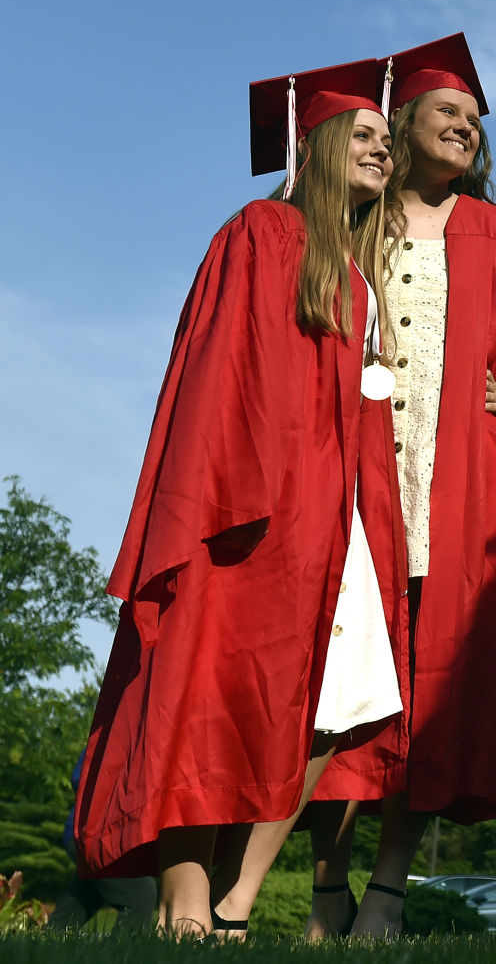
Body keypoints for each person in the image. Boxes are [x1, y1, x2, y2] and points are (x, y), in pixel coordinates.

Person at [73, 56, 405, 938]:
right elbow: (217, 383)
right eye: (365, 135)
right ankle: (187, 910)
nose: (383, 149)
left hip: (336, 525)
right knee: (203, 686)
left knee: (341, 703)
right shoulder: (259, 232)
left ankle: (230, 898)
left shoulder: (362, 282)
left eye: (386, 139)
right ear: (322, 142)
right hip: (248, 510)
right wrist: (224, 505)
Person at [303, 33, 496, 938]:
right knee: (340, 681)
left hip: (454, 493)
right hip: (354, 477)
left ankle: (389, 890)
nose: (467, 128)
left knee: (431, 687)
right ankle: (328, 884)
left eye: (476, 121)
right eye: (449, 112)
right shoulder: (350, 220)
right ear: (401, 124)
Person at [45, 754, 157, 933]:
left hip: (97, 835)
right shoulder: (118, 730)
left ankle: (48, 939)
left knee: (83, 899)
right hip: (94, 834)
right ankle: (126, 953)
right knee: (140, 894)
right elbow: (86, 778)